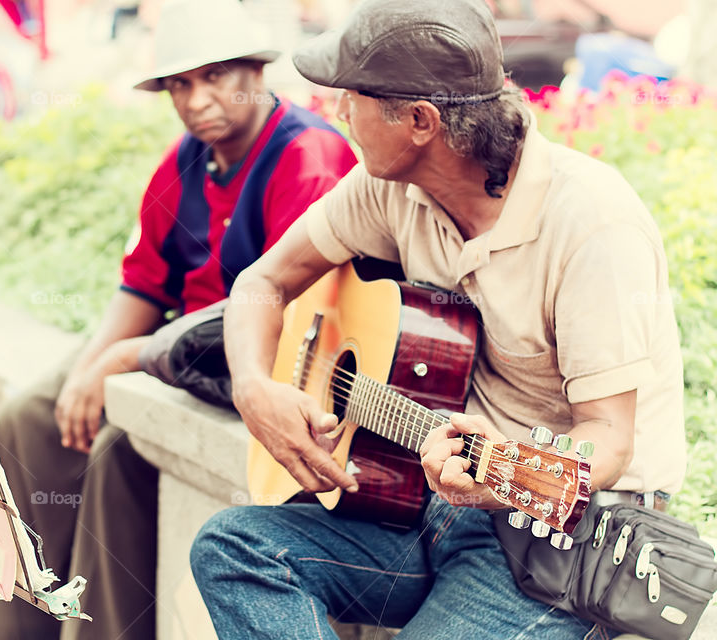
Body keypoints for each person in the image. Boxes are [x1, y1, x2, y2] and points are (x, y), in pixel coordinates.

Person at [190, 0, 686, 638]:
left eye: (353, 98)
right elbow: (264, 281)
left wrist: (505, 473)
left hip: (557, 535)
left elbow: (610, 443)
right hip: (430, 503)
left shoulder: (592, 224)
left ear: (419, 120)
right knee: (235, 549)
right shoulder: (390, 184)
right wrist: (254, 387)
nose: (340, 113)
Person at [0, 0, 357, 638]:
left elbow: (285, 308)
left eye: (214, 76)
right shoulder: (187, 159)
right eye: (180, 83)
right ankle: (11, 630)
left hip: (258, 357)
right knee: (28, 417)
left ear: (256, 73)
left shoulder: (305, 156)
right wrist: (91, 365)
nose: (196, 98)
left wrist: (122, 365)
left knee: (118, 434)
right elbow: (143, 283)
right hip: (174, 339)